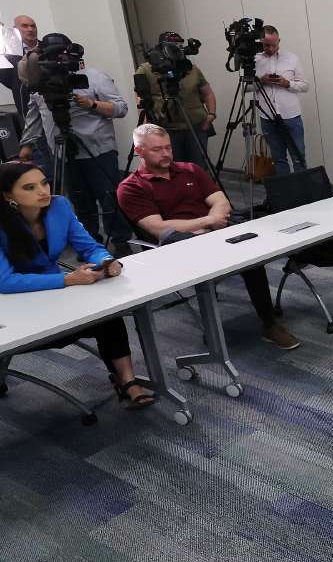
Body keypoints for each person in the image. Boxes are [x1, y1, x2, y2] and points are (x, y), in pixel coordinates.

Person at [116, 124, 300, 350]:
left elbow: (221, 201)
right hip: (172, 247)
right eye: (157, 150)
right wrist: (208, 222)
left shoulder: (190, 169)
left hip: (212, 232)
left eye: (168, 148)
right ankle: (213, 330)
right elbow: (158, 227)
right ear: (139, 151)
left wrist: (212, 221)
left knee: (251, 257)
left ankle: (270, 324)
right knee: (212, 254)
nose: (165, 154)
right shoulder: (131, 187)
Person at [0, 160, 154, 409]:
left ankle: (126, 382)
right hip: (12, 307)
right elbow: (5, 282)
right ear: (8, 195)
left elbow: (89, 246)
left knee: (108, 315)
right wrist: (67, 279)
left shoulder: (59, 206)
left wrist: (106, 261)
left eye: (44, 182)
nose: (43, 191)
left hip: (55, 295)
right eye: (29, 187)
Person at [17, 33, 132, 248]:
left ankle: (121, 242)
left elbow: (121, 108)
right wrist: (25, 146)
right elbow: (33, 119)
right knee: (79, 202)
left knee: (109, 198)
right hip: (63, 154)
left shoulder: (95, 76)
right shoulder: (40, 84)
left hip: (98, 150)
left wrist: (92, 104)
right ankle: (89, 245)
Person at [134, 31, 217, 167]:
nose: (178, 50)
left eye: (180, 46)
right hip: (166, 130)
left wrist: (211, 115)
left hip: (196, 127)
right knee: (173, 169)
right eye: (173, 46)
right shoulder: (146, 70)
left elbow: (207, 93)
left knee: (198, 167)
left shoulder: (191, 69)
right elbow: (141, 101)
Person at [253, 25, 310, 175]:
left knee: (299, 157)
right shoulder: (255, 60)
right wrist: (261, 81)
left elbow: (305, 86)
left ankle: (303, 194)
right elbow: (245, 88)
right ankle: (287, 193)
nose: (271, 48)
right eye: (266, 45)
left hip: (291, 116)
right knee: (278, 159)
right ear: (260, 42)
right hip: (267, 117)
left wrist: (287, 83)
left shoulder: (292, 58)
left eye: (274, 44)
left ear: (279, 41)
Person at [0, 15, 39, 119]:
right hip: (30, 112)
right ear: (15, 30)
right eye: (25, 26)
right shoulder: (8, 57)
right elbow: (8, 80)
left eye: (33, 26)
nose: (30, 29)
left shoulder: (49, 48)